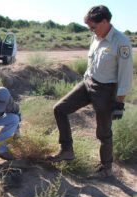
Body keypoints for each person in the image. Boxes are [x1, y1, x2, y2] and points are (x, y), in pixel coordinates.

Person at [46, 5, 133, 178]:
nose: (92, 31)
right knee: (59, 109)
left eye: (94, 27)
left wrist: (119, 102)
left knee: (103, 132)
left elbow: (125, 74)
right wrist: (86, 78)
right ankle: (66, 149)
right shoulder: (95, 37)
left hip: (107, 91)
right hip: (88, 83)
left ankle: (106, 168)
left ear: (105, 21)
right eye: (89, 28)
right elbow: (92, 62)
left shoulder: (121, 42)